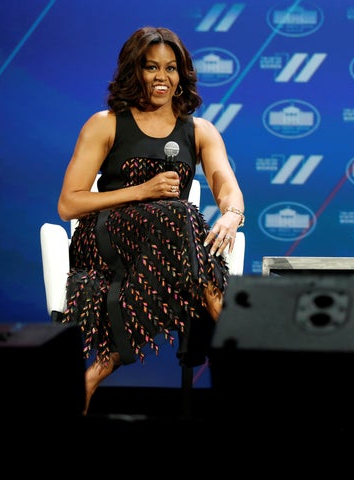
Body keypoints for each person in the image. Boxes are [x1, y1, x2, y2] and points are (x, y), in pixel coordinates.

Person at [57, 26, 245, 414]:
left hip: (164, 255)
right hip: (105, 238)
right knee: (180, 214)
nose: (162, 77)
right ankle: (225, 320)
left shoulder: (200, 131)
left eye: (171, 68)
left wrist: (232, 214)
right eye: (151, 68)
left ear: (182, 75)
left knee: (175, 225)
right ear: (134, 72)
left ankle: (95, 372)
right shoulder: (105, 124)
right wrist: (140, 191)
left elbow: (227, 184)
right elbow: (69, 205)